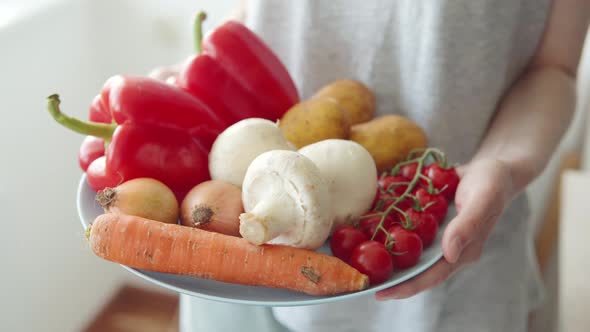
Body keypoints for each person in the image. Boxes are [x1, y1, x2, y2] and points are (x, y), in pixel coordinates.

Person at [152, 1, 590, 331]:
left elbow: (553, 67)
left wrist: (504, 165)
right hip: (235, 262)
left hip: (446, 252)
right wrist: (187, 92)